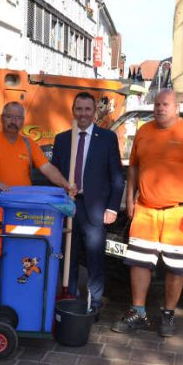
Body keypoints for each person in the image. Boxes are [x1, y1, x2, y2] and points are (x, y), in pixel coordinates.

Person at [111, 89, 183, 337]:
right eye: (157, 104)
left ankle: (168, 315)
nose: (159, 108)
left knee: (175, 268)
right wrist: (129, 198)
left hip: (179, 213)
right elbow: (134, 167)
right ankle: (138, 313)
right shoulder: (144, 132)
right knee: (138, 263)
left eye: (165, 104)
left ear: (176, 108)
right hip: (145, 209)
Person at [0, 101, 73, 302]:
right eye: (10, 117)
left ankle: (17, 299)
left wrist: (66, 185)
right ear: (2, 119)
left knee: (19, 256)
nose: (14, 121)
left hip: (21, 215)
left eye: (18, 117)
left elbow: (47, 168)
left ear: (23, 121)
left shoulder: (29, 144)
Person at [51, 92, 124, 313]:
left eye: (87, 109)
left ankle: (94, 304)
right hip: (68, 207)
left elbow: (117, 177)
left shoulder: (107, 139)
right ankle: (69, 301)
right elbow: (54, 174)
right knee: (68, 258)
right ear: (73, 111)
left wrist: (112, 207)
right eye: (79, 109)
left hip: (95, 209)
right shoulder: (62, 139)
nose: (83, 114)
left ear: (94, 113)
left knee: (94, 259)